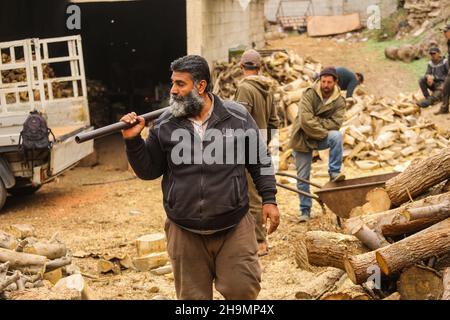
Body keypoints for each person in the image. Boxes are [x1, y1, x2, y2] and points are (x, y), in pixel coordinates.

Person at [121, 55, 280, 300]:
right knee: (193, 300)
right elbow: (148, 170)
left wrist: (269, 199)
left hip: (233, 226)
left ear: (201, 86)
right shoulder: (165, 124)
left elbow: (261, 160)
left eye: (180, 84)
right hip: (185, 230)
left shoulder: (236, 118)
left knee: (243, 291)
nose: (173, 90)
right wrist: (133, 141)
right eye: (172, 83)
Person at [234, 49, 280, 257]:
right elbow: (274, 122)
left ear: (242, 67)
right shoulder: (267, 89)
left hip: (247, 148)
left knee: (251, 196)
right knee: (258, 195)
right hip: (259, 145)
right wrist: (264, 144)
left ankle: (260, 242)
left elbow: (238, 121)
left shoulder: (244, 88)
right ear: (259, 68)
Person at [288, 67, 346, 222]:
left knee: (336, 136)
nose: (325, 85)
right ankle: (305, 211)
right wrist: (322, 129)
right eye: (323, 81)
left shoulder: (339, 100)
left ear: (335, 82)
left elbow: (336, 123)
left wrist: (317, 124)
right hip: (302, 137)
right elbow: (305, 120)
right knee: (302, 178)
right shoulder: (309, 94)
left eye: (329, 82)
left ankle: (334, 172)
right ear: (319, 80)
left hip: (320, 136)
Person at [435, 23, 450, 115]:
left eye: (446, 31)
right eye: (443, 32)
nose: (444, 33)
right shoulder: (448, 41)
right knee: (446, 88)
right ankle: (444, 109)